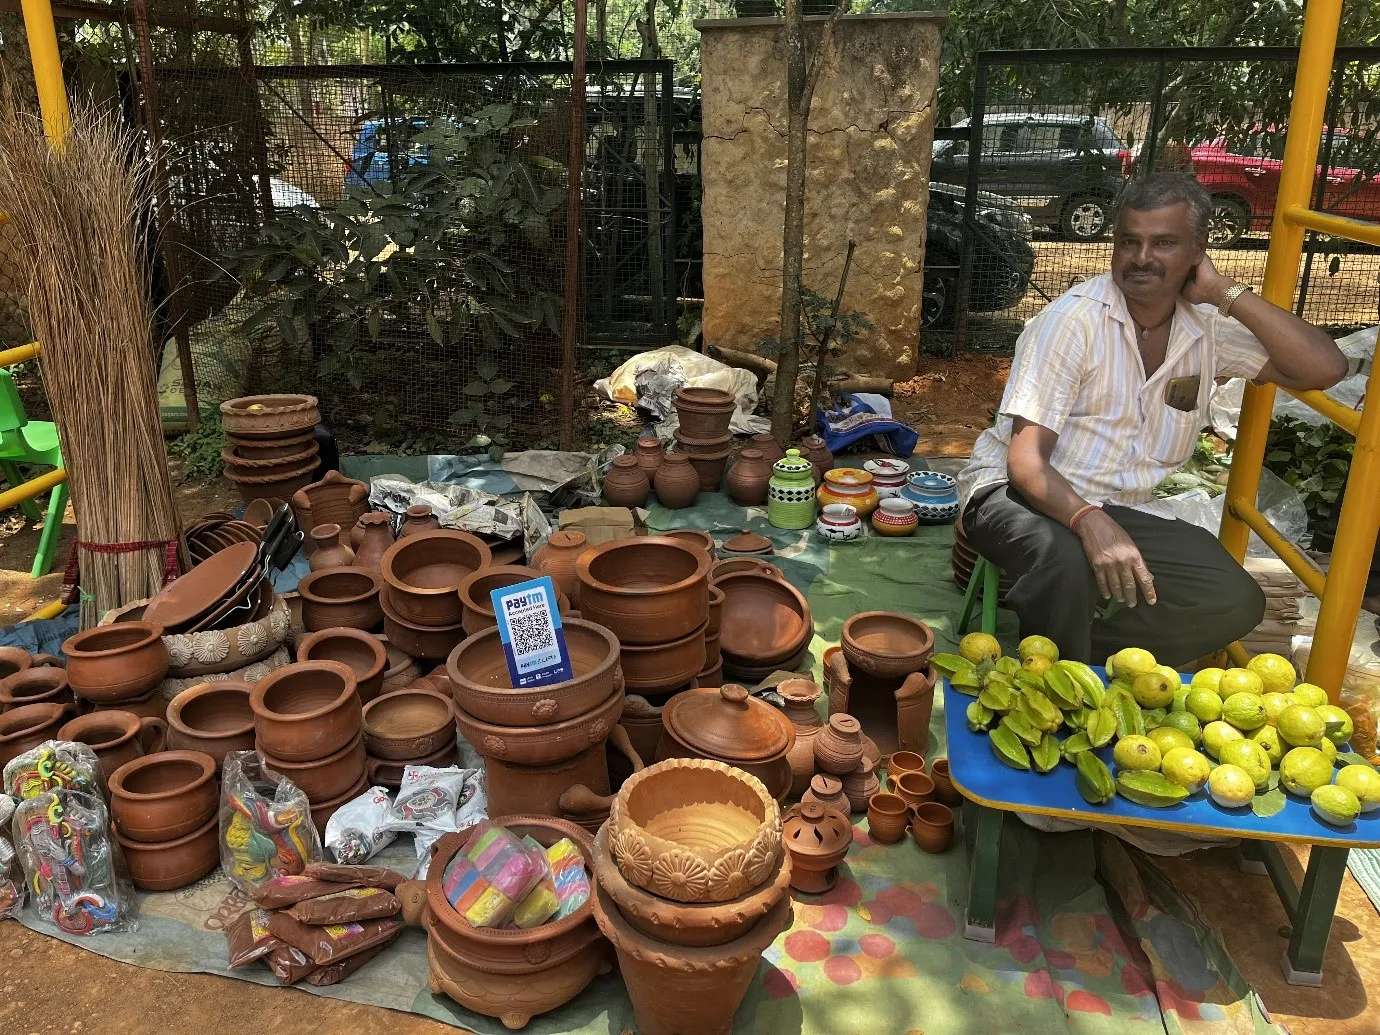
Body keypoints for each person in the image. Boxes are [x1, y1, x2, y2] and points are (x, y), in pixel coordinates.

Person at [957, 172, 1347, 667]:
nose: (1142, 258)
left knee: (1235, 599)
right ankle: (1056, 684)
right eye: (1129, 241)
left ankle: (1076, 653)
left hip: (1118, 504)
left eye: (1164, 243)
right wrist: (1087, 520)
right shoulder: (1073, 321)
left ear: (1197, 251)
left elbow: (1325, 368)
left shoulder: (1206, 330)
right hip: (1017, 493)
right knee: (1066, 561)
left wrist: (1226, 292)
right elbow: (1026, 462)